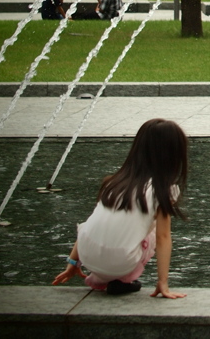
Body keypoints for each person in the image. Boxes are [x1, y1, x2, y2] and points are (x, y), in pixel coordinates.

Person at [53, 118, 188, 299]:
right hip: (121, 263)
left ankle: (101, 277)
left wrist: (73, 262)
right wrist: (163, 282)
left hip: (86, 256)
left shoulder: (114, 182)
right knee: (153, 229)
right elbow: (163, 238)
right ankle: (123, 280)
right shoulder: (164, 190)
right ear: (174, 154)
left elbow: (92, 225)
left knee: (107, 220)